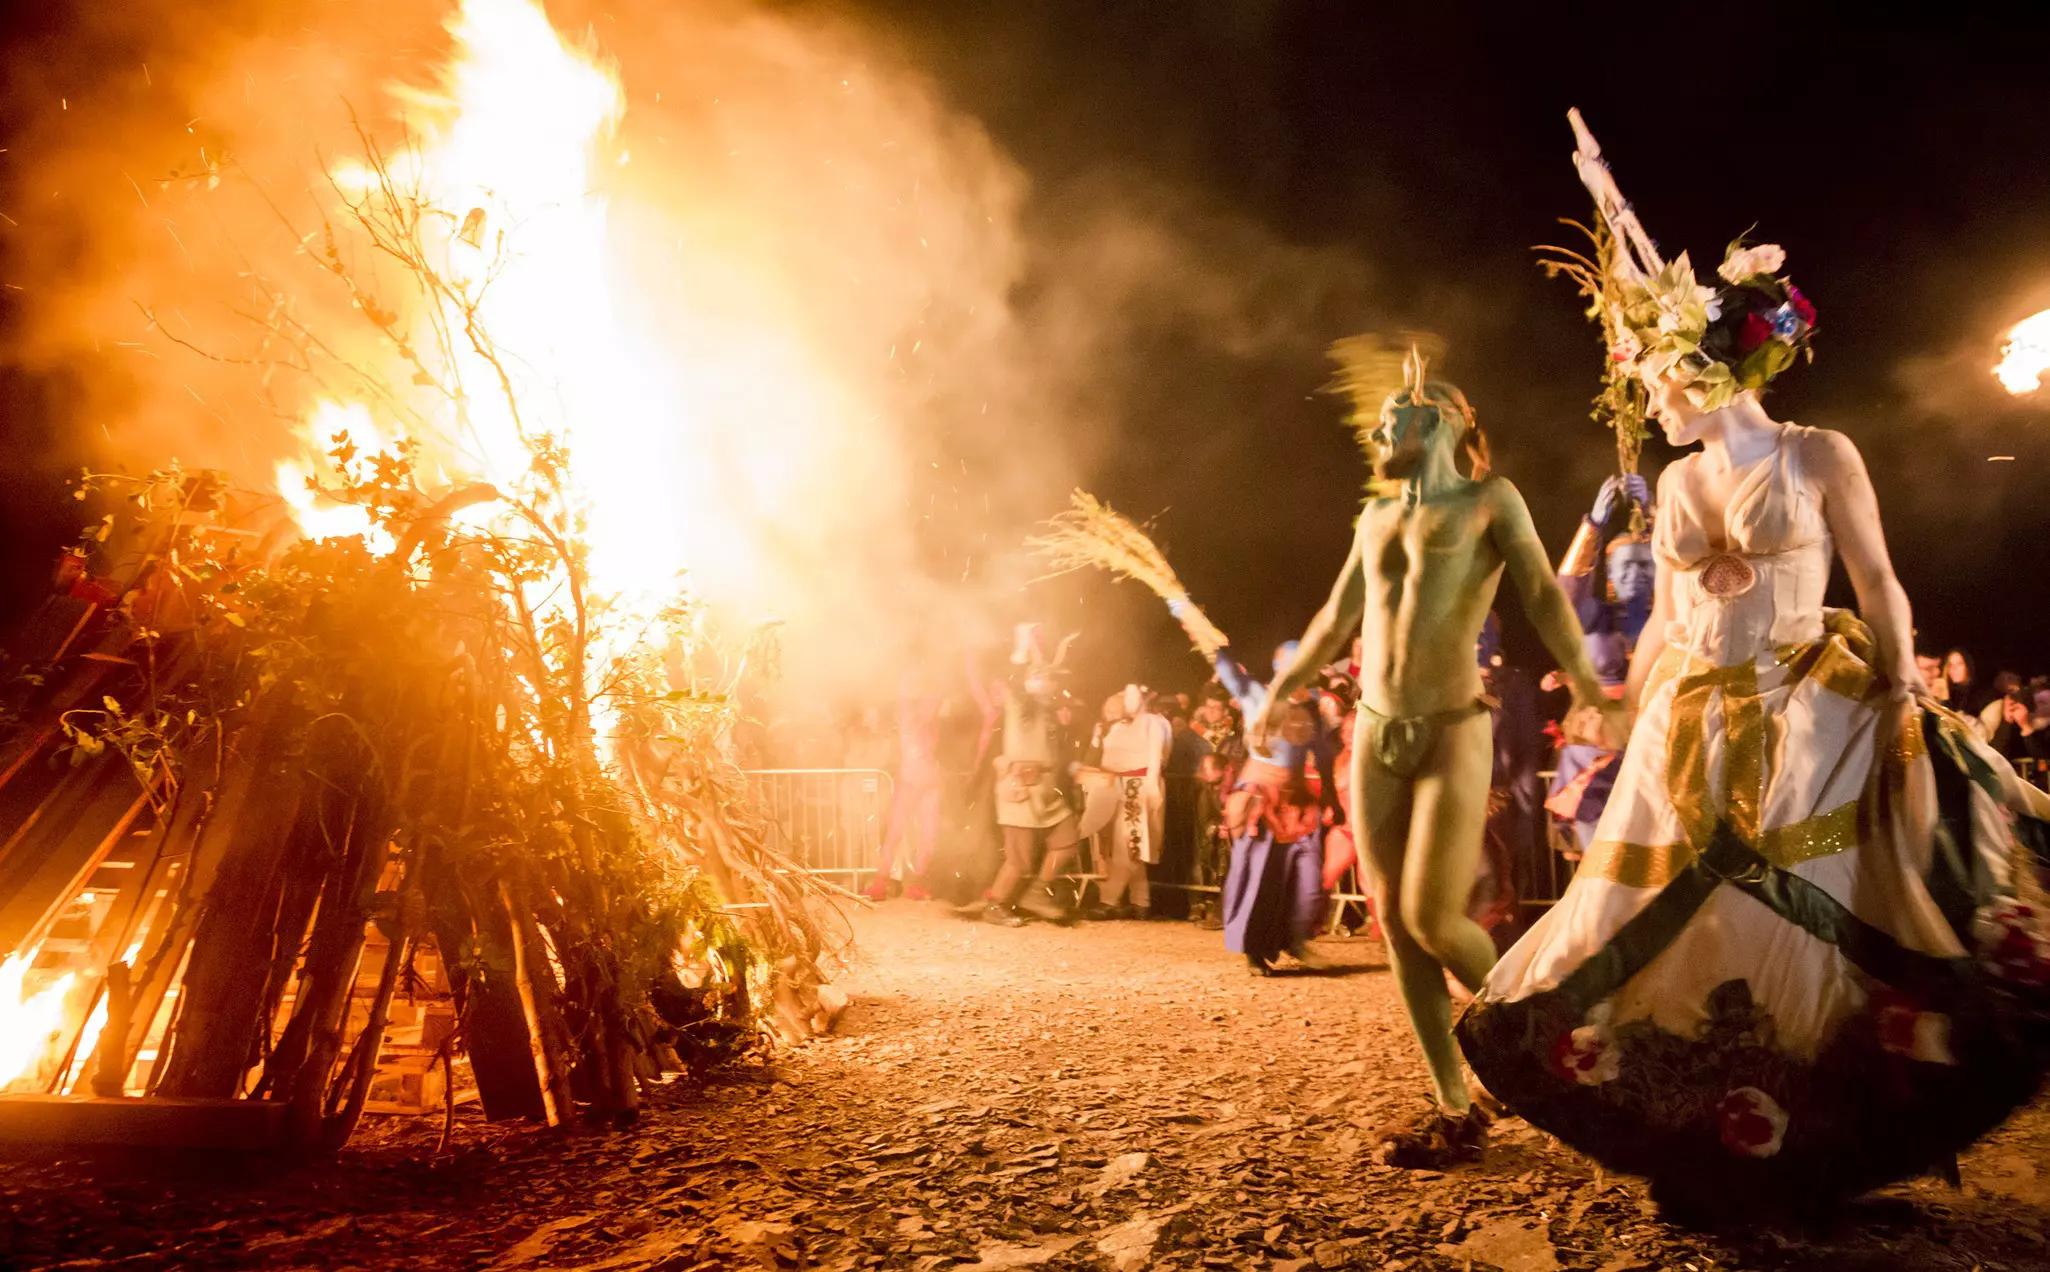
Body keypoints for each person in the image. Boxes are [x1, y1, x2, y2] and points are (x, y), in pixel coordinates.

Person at [1461, 114, 2050, 1217]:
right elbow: (1667, 615)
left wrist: (1902, 678)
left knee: (1812, 907)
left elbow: (1877, 582)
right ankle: (1707, 1134)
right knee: (1680, 916)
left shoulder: (1818, 453)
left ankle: (1819, 1132)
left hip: (1810, 697)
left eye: (1657, 380)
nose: (1647, 400)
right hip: (1694, 714)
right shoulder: (1674, 490)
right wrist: (1618, 703)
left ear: (1707, 367)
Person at [1257, 344, 1620, 1165]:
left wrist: (1595, 693)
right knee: (1396, 925)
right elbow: (1333, 616)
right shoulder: (1377, 515)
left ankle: (1529, 1024)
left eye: (1402, 408)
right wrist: (1284, 688)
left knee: (1428, 915)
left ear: (1449, 419)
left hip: (1455, 726)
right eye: (1384, 412)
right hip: (1375, 732)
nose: (1385, 418)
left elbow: (1544, 600)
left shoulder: (1494, 502)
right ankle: (1455, 1105)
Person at [1218, 642, 1339, 974]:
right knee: (1260, 878)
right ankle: (1254, 950)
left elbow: (1324, 755)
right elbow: (1225, 668)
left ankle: (1295, 938)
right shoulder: (1256, 695)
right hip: (1262, 798)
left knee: (1310, 879)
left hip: (1298, 802)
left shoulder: (1309, 708)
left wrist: (1332, 796)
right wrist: (1191, 619)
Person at [981, 625, 1084, 926]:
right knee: (1019, 859)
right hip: (1021, 790)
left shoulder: (1045, 709)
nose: (1049, 682)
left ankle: (1037, 892)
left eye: (1049, 678)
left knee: (1066, 840)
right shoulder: (1020, 705)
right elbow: (1013, 681)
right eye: (1041, 677)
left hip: (1046, 793)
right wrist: (1021, 650)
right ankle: (995, 905)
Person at [1076, 686, 1170, 920]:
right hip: (1116, 785)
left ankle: (1108, 900)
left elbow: (1156, 756)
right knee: (1128, 846)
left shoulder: (1153, 723)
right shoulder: (1116, 728)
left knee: (1128, 845)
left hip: (1137, 787)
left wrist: (1151, 786)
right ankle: (1141, 901)